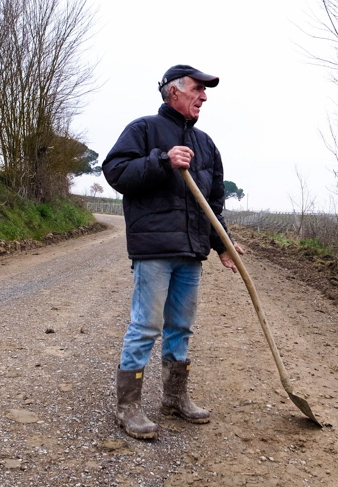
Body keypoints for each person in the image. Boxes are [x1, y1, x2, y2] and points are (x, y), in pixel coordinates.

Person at [102, 64, 244, 440]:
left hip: (191, 252)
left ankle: (174, 397)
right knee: (146, 326)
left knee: (180, 327)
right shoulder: (143, 129)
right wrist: (162, 161)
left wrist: (222, 245)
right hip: (154, 250)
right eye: (198, 88)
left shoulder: (206, 145)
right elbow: (116, 172)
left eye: (205, 90)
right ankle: (128, 406)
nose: (204, 96)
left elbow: (213, 203)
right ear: (173, 92)